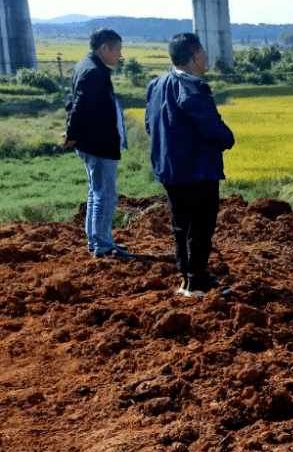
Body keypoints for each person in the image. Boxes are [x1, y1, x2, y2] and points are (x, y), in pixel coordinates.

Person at [145, 33, 235, 297]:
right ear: (194, 57)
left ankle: (187, 277)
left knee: (181, 224)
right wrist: (228, 138)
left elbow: (150, 124)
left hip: (168, 167)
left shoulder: (156, 84)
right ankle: (195, 284)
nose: (206, 58)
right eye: (203, 53)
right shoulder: (192, 88)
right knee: (200, 227)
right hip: (196, 169)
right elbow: (211, 127)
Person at [63, 28, 136, 260]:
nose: (120, 55)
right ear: (104, 47)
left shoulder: (84, 66)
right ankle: (103, 246)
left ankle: (96, 240)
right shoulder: (94, 72)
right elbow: (80, 106)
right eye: (118, 49)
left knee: (96, 191)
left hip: (91, 142)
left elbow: (70, 101)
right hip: (99, 142)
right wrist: (72, 134)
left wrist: (73, 134)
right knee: (106, 194)